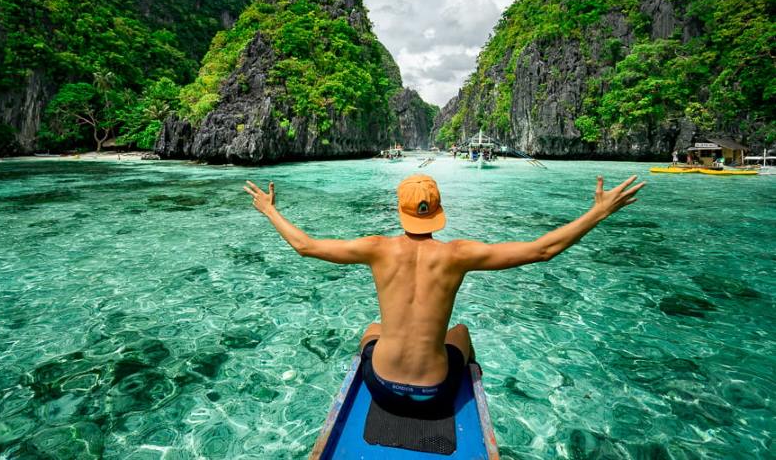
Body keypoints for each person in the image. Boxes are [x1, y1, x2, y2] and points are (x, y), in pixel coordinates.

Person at [243, 173, 645, 415]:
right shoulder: (459, 255)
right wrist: (598, 211)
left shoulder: (377, 248)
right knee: (462, 332)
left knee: (372, 328)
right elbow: (543, 250)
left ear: (397, 210)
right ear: (438, 211)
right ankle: (469, 384)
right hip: (436, 394)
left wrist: (269, 210)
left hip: (381, 389)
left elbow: (306, 246)